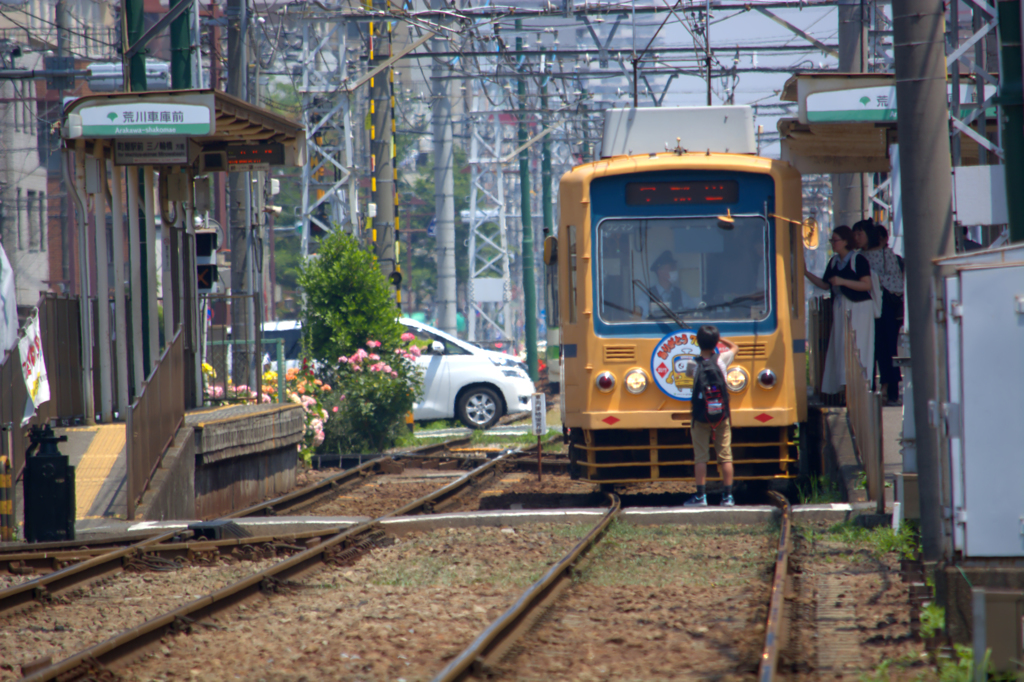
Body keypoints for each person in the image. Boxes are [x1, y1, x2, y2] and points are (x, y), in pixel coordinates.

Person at [805, 225, 875, 395]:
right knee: (840, 345)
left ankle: (858, 386)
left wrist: (843, 282)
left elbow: (867, 285)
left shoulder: (858, 260)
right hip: (840, 305)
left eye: (835, 240)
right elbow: (825, 284)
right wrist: (806, 273)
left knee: (857, 344)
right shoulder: (834, 262)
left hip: (859, 307)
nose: (832, 244)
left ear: (845, 241)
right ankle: (843, 386)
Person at [683, 325, 739, 507]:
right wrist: (720, 340)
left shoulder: (693, 364)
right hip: (721, 416)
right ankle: (728, 497)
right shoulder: (722, 360)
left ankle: (700, 497)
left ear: (698, 342)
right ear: (715, 342)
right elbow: (735, 348)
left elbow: (689, 375)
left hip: (700, 416)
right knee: (725, 456)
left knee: (701, 457)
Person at [853, 218, 903, 404]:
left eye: (860, 233)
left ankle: (890, 388)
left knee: (887, 348)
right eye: (854, 234)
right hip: (865, 307)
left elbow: (896, 282)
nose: (856, 237)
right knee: (869, 347)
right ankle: (871, 389)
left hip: (886, 308)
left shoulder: (885, 254)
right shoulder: (857, 257)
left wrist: (873, 279)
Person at [636, 250, 699, 318]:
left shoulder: (681, 295)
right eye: (671, 268)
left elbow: (694, 315)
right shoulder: (647, 296)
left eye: (674, 268)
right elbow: (641, 319)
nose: (675, 271)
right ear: (660, 272)